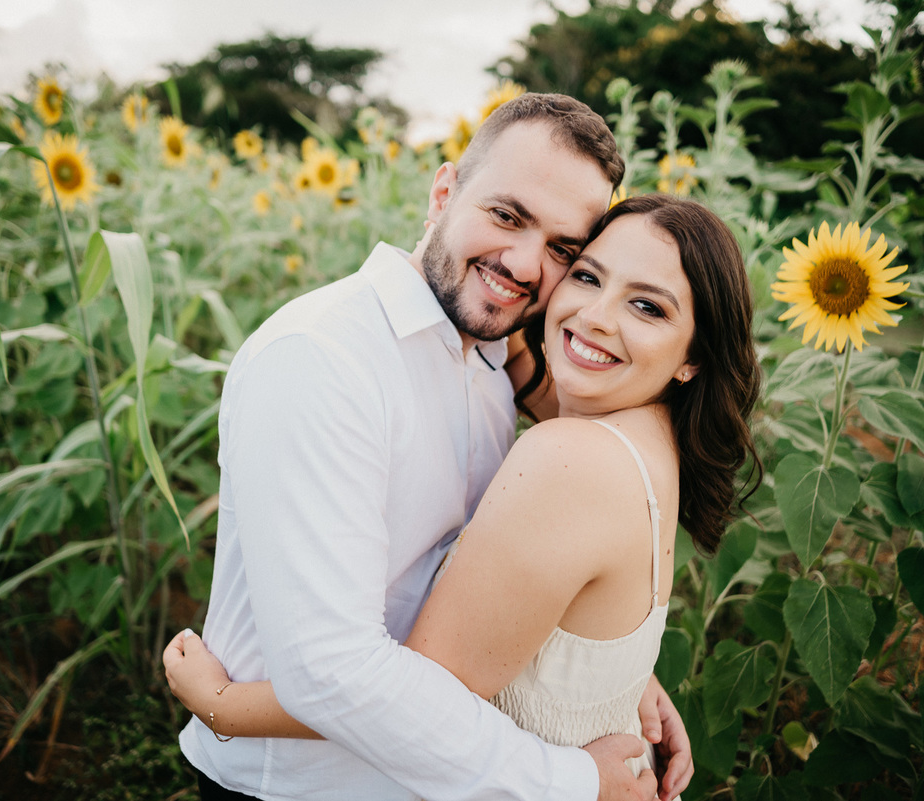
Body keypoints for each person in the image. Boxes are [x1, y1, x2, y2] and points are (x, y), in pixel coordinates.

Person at [171, 94, 698, 801]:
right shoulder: (323, 359)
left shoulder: (490, 350)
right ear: (444, 192)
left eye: (562, 248)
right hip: (305, 785)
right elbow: (332, 671)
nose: (522, 262)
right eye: (507, 216)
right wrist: (572, 780)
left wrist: (605, 674)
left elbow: (503, 564)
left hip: (429, 772)